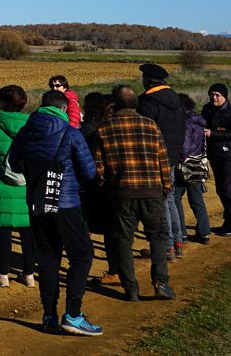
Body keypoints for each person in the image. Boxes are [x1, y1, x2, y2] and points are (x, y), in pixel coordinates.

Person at [13, 88, 102, 336]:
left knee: (48, 259)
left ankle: (49, 315)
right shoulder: (71, 133)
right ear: (63, 109)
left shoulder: (25, 132)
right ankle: (73, 313)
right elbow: (89, 172)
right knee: (82, 254)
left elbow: (12, 164)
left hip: (37, 202)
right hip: (66, 202)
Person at [94, 85, 176, 303]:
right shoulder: (150, 125)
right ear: (135, 103)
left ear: (115, 103)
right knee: (158, 237)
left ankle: (130, 288)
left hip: (122, 193)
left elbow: (99, 167)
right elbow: (163, 159)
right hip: (152, 191)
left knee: (123, 241)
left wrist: (108, 187)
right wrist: (166, 186)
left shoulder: (104, 128)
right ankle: (161, 283)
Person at [0, 84, 35, 288]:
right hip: (26, 185)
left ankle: (2, 275)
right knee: (27, 232)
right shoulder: (32, 124)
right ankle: (29, 273)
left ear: (2, 102)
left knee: (3, 232)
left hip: (1, 184)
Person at [137, 63, 186, 260]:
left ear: (148, 80)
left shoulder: (148, 102)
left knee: (160, 202)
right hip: (173, 155)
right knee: (171, 199)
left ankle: (166, 246)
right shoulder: (176, 99)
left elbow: (144, 132)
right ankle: (178, 241)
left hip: (155, 157)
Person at [79, 92, 121, 285]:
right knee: (112, 232)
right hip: (112, 185)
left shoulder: (86, 129)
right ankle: (115, 270)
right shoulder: (113, 127)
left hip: (90, 185)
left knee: (85, 228)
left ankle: (81, 267)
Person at [202, 83, 231, 236]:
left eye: (217, 95)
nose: (214, 97)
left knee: (229, 191)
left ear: (225, 96)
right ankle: (228, 222)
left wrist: (212, 134)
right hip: (215, 156)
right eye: (212, 94)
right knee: (221, 190)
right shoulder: (207, 109)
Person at [174, 94, 211, 246]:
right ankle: (204, 232)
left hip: (185, 165)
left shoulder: (185, 123)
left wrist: (180, 160)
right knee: (197, 199)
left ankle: (181, 233)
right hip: (198, 164)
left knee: (176, 198)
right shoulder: (199, 121)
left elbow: (184, 147)